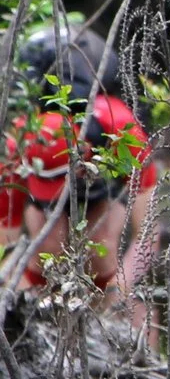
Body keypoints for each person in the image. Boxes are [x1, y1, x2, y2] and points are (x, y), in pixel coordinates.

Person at [0, 24, 161, 323]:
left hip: (106, 272)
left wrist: (119, 291)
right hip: (39, 280)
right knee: (44, 244)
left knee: (137, 310)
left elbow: (149, 232)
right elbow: (4, 243)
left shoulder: (122, 129)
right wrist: (24, 301)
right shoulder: (19, 143)